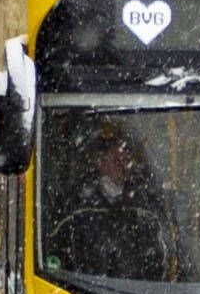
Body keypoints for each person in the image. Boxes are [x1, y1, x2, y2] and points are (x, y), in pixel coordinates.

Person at [46, 117, 175, 284]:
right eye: (117, 161)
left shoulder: (145, 204)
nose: (123, 167)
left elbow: (160, 258)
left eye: (126, 161)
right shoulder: (76, 204)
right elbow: (57, 254)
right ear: (100, 163)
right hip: (86, 293)